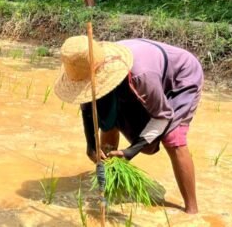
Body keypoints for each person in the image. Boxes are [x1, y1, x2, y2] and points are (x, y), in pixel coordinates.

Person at [54, 35, 203, 214]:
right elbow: (88, 107)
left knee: (172, 137)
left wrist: (132, 150)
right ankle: (108, 187)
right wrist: (91, 146)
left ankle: (192, 211)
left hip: (180, 77)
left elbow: (162, 117)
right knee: (109, 118)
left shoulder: (141, 75)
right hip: (142, 75)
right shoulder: (84, 66)